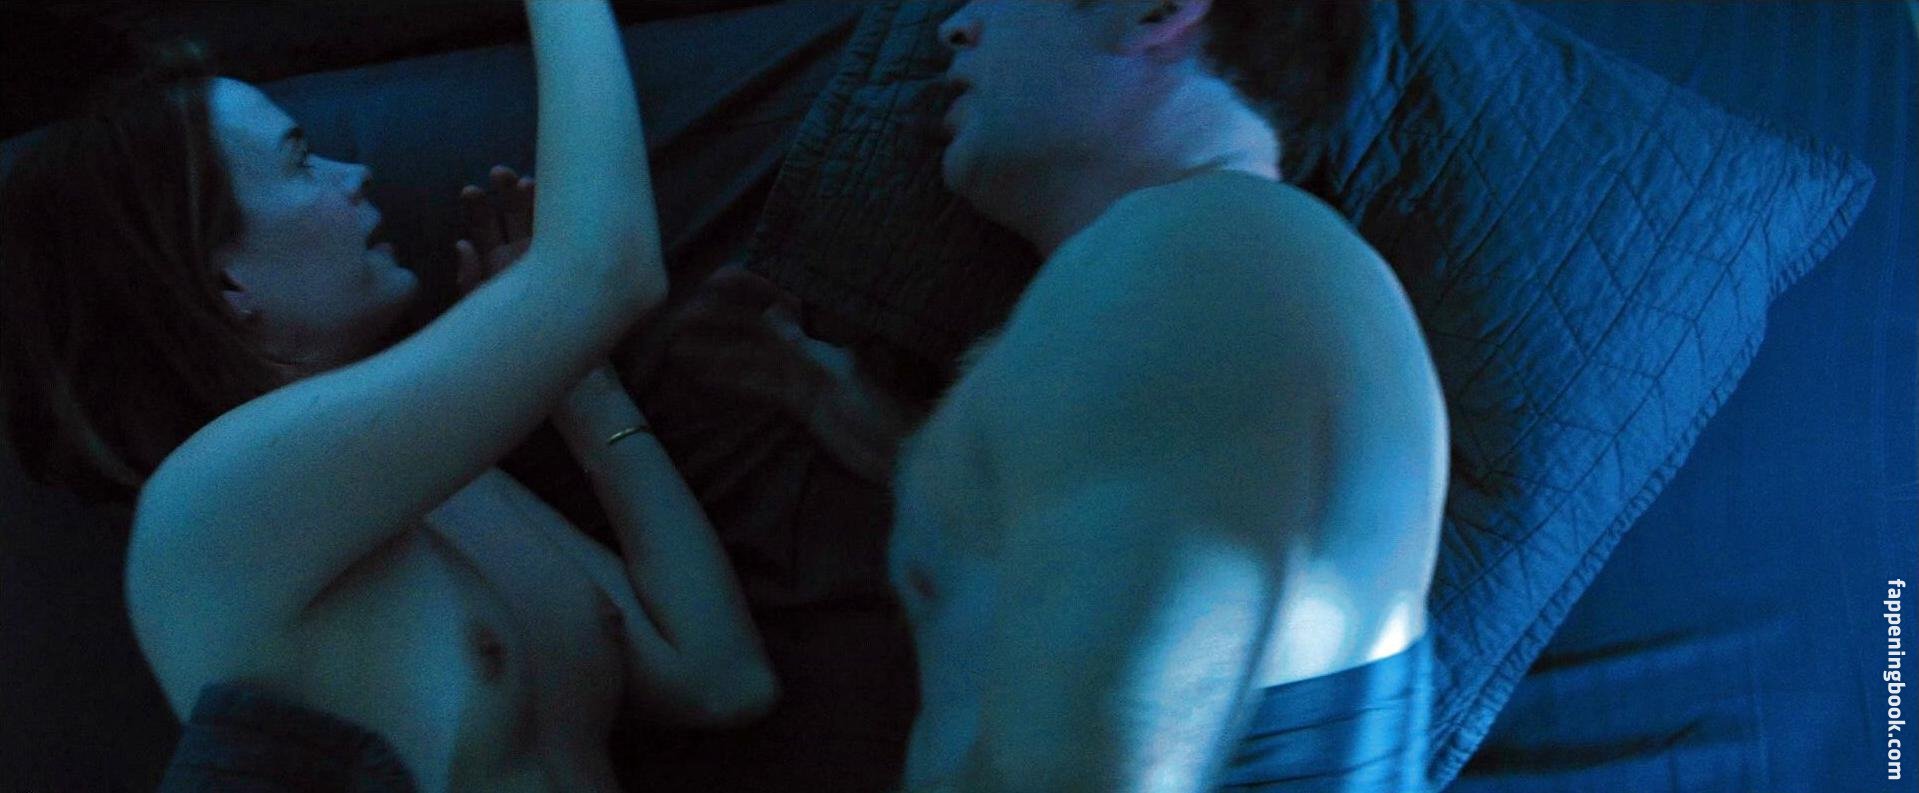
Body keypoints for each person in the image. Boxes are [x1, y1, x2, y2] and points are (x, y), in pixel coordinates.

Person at [0, 1, 776, 790]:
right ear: (226, 280)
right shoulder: (212, 502)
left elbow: (720, 677)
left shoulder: (434, 481)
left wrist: (580, 385)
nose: (356, 175)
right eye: (302, 162)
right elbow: (606, 271)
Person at [863, 1, 1445, 790]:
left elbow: (1097, 766)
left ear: (1156, 10)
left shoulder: (1201, 256)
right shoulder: (1223, 262)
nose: (956, 25)